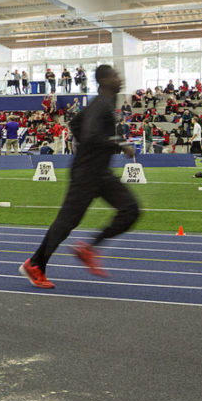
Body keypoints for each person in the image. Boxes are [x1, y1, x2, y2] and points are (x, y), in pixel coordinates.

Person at [21, 65, 142, 288]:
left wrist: (100, 147)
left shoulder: (104, 102)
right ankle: (36, 264)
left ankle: (89, 248)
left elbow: (76, 124)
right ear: (105, 80)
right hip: (87, 173)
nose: (120, 79)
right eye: (116, 76)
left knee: (131, 209)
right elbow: (89, 134)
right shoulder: (102, 103)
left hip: (99, 172)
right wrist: (120, 144)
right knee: (67, 222)